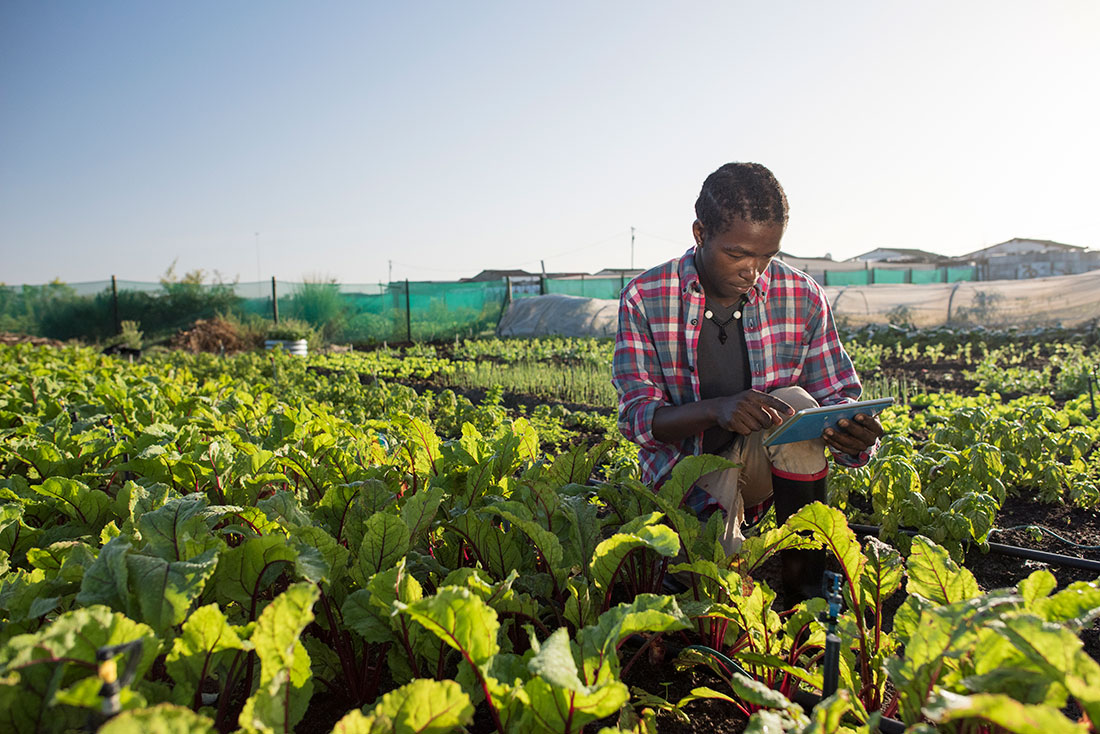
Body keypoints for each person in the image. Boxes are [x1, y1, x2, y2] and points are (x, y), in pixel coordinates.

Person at [612, 162, 883, 603]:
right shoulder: (646, 297)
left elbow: (837, 396)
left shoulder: (802, 295)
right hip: (682, 482)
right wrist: (716, 409)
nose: (752, 270)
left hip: (757, 473)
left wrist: (853, 436)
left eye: (766, 256)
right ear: (700, 234)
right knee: (709, 592)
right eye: (737, 254)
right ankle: (702, 559)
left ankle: (805, 598)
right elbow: (638, 420)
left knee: (796, 401)